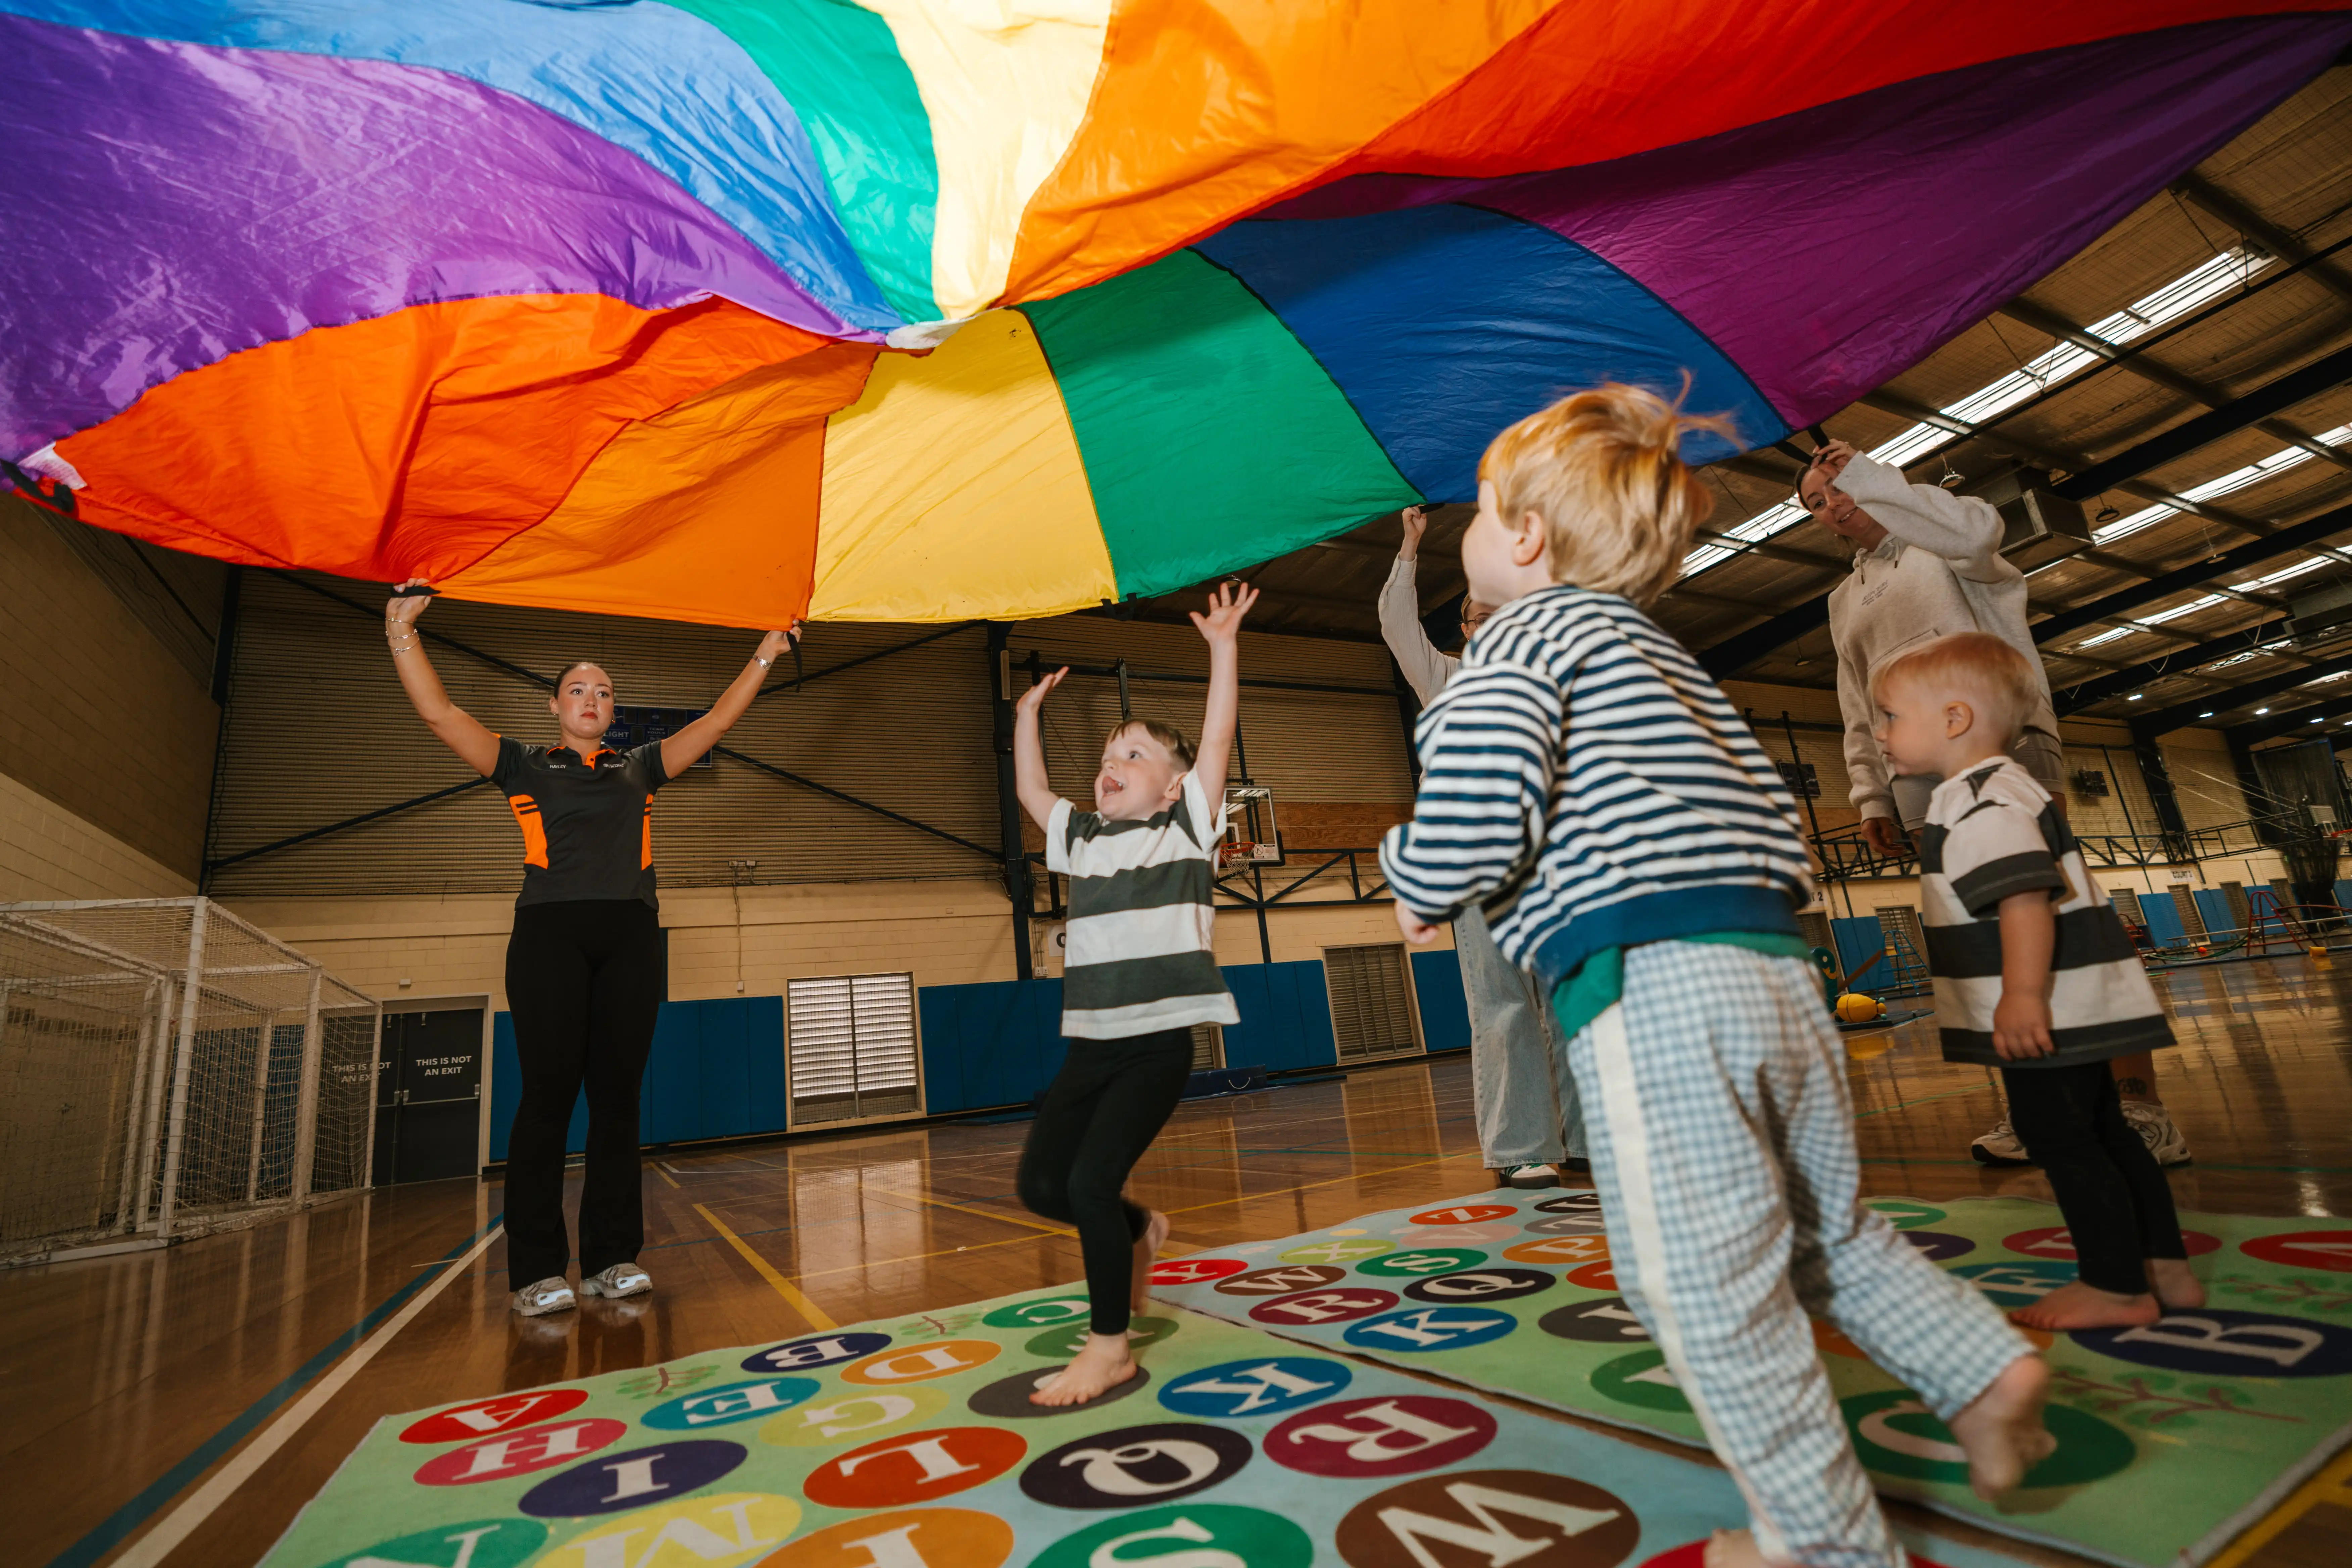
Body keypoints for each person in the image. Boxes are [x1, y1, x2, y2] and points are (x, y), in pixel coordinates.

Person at [1383, 387, 2051, 1568]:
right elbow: (1761, 815)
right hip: (1775, 970)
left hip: (1654, 997)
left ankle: (1821, 1538)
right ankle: (1976, 1365)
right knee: (1818, 1230)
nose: (1470, 537)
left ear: (1524, 535)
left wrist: (1411, 877)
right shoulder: (1661, 659)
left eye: (1479, 514)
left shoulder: (1508, 650)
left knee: (1698, 1288)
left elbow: (1472, 822)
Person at [384, 580, 798, 1317]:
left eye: (603, 692)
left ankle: (612, 1258)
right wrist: (402, 632)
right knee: (547, 1097)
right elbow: (438, 712)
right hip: (549, 935)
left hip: (631, 934)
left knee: (617, 1101)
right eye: (577, 689)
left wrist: (765, 652)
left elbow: (718, 720)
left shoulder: (638, 767)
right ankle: (538, 1271)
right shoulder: (520, 765)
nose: (590, 698)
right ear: (556, 705)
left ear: (612, 711)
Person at [1802, 441, 2191, 1170]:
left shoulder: (1938, 538)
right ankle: (2036, 1105)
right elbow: (1855, 699)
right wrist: (1868, 790)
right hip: (1916, 774)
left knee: (2063, 919)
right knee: (1978, 936)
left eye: (1835, 483)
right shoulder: (1842, 599)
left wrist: (1870, 476)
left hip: (2006, 743)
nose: (1833, 502)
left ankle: (2139, 1101)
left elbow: (1982, 534)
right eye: (1817, 502)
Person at [1877, 633, 2202, 1331]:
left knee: (2058, 1134)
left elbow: (2024, 898)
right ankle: (2162, 1266)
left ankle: (2115, 1285)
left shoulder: (1979, 802)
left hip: (2049, 1006)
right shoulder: (2004, 787)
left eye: (1892, 716)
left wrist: (2022, 996)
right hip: (2078, 1002)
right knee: (2106, 1130)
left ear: (1955, 718)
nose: (1881, 733)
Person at [1011, 581, 1257, 1405]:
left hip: (1155, 1042)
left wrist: (1222, 649)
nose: (1113, 766)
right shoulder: (1081, 839)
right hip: (1091, 1042)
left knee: (1087, 1185)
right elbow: (1033, 795)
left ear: (1173, 784)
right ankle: (1142, 1228)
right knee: (1042, 1186)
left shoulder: (1186, 827)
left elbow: (1217, 740)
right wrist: (1025, 718)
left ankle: (1109, 1344)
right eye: (1110, 755)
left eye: (1135, 757)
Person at [1379, 504, 1589, 1188]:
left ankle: (1586, 1138)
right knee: (1502, 1005)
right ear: (1464, 630)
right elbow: (1395, 624)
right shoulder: (1442, 679)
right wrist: (1411, 547)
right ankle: (1521, 1144)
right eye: (1476, 616)